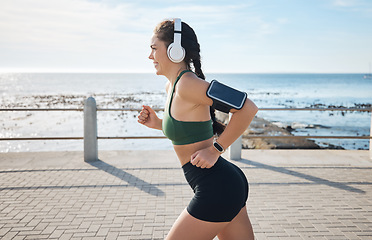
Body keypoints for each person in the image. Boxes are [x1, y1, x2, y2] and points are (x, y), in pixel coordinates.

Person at [138, 18, 258, 240]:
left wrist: (215, 149)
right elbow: (188, 132)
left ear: (175, 51)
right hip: (223, 184)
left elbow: (248, 108)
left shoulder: (188, 84)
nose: (150, 56)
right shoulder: (172, 85)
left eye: (154, 49)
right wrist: (158, 123)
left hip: (217, 187)